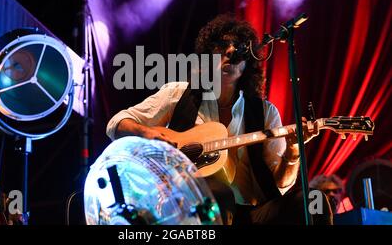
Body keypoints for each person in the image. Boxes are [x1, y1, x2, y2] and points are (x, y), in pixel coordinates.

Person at [106, 13, 332, 225]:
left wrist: (293, 151)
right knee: (217, 193)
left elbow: (281, 185)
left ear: (247, 64)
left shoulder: (265, 112)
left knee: (314, 201)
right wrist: (149, 133)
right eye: (222, 47)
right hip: (192, 209)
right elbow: (116, 123)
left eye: (239, 49)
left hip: (254, 214)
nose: (231, 52)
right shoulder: (179, 94)